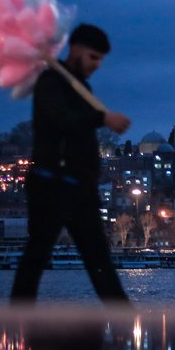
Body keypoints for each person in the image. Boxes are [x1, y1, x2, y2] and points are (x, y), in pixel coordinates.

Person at [10, 24, 132, 303]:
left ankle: (124, 319)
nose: (97, 65)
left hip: (80, 185)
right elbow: (59, 121)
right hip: (51, 182)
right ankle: (18, 319)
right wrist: (102, 119)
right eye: (93, 58)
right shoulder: (50, 83)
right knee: (38, 254)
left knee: (97, 256)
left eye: (100, 60)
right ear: (75, 50)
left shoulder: (82, 87)